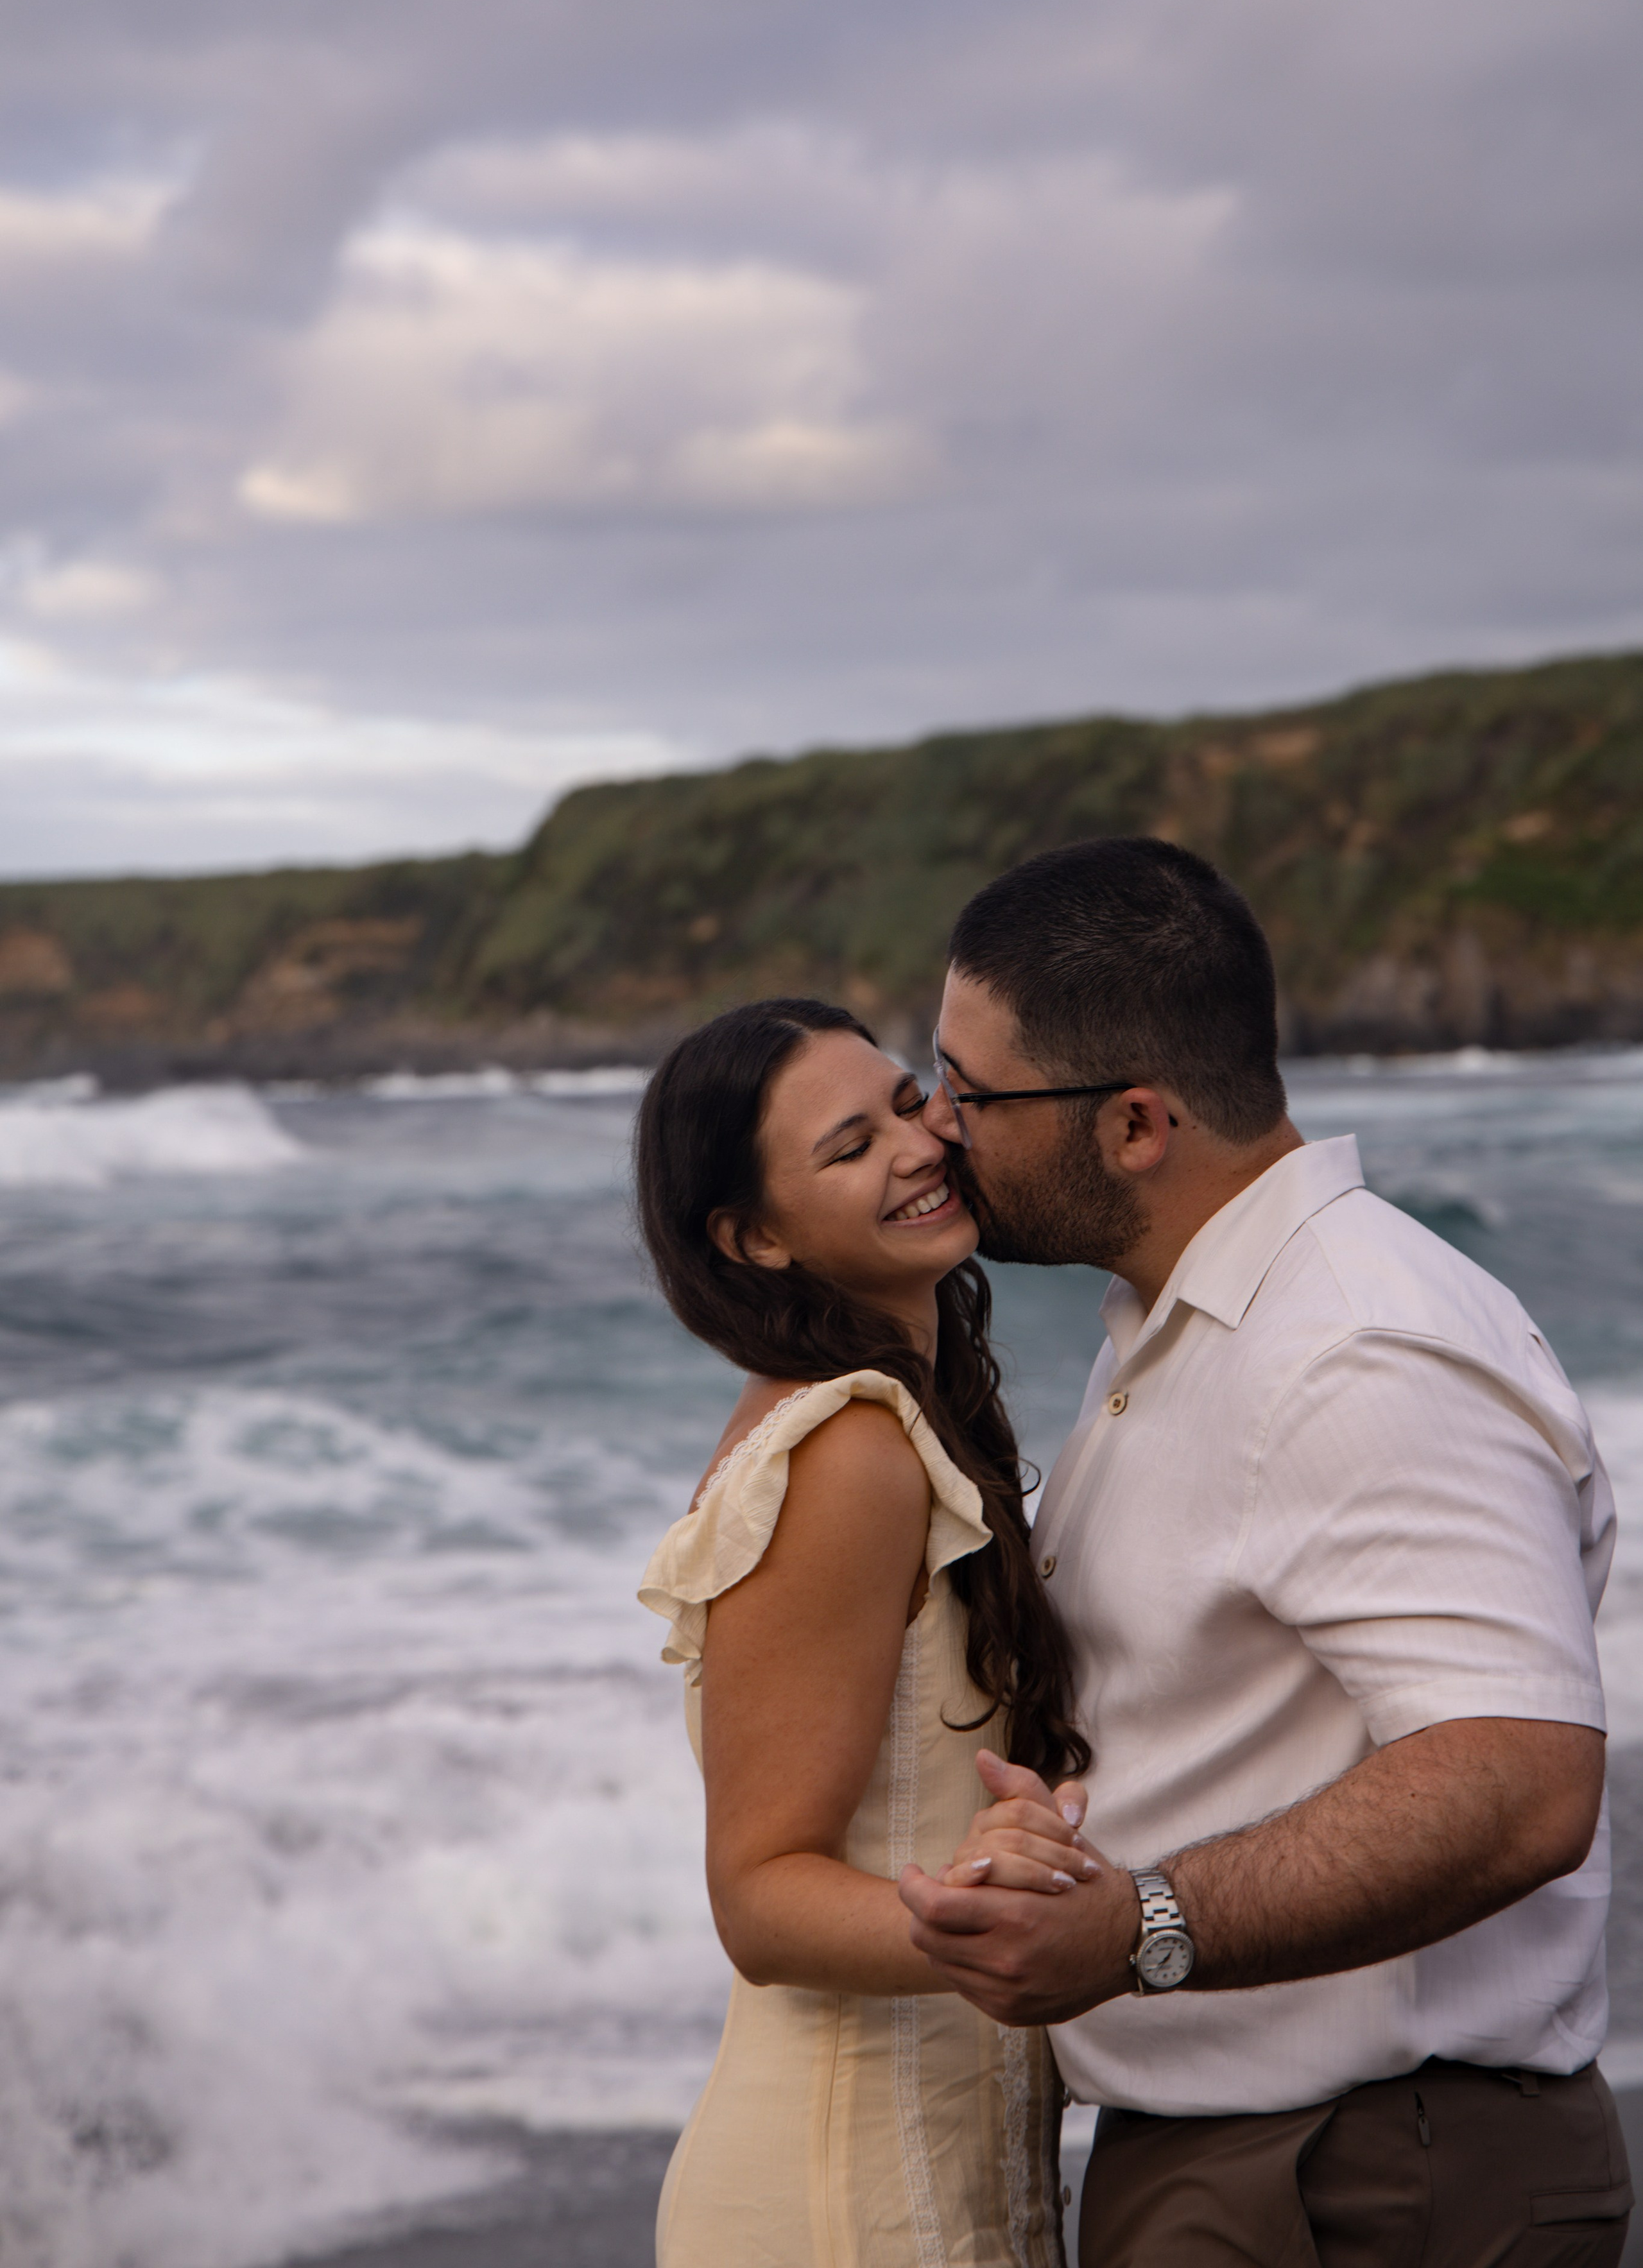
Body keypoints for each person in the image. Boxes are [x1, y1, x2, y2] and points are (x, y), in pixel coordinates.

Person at [897, 836, 1633, 2265]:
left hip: (1366, 2171)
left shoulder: (1353, 1347)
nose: (936, 1126)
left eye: (970, 1091)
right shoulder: (1197, 1331)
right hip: (1277, 2155)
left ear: (1133, 1126)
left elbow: (1518, 1779)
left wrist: (1138, 1929)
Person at [635, 996, 1087, 2268]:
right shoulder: (845, 1450)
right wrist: (1012, 1930)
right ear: (754, 1239)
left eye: (906, 1102)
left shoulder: (897, 1416)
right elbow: (760, 1897)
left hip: (927, 2178)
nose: (915, 1146)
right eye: (848, 1148)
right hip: (843, 2203)